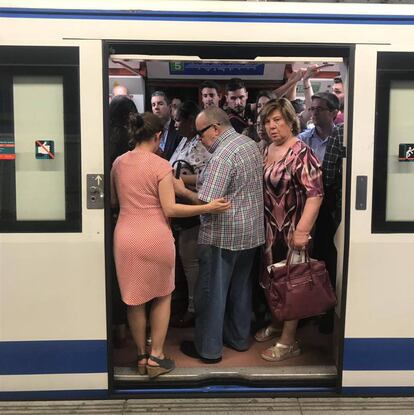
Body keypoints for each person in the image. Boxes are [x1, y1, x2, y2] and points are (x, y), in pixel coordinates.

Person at [110, 112, 230, 378]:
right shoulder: (160, 165)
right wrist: (208, 206)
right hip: (155, 236)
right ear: (158, 136)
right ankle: (157, 356)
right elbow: (170, 209)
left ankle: (141, 355)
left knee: (134, 300)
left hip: (126, 236)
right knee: (162, 295)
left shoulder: (118, 163)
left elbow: (114, 201)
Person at [174, 107, 264, 363]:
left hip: (222, 235)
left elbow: (208, 200)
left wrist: (181, 190)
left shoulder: (222, 155)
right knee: (240, 290)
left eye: (200, 133)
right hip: (250, 233)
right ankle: (238, 338)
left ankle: (209, 349)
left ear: (215, 128)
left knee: (211, 293)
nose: (199, 139)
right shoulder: (248, 144)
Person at [257, 99, 323, 362]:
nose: (272, 126)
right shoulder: (269, 148)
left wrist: (302, 231)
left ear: (289, 120)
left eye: (277, 120)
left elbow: (315, 195)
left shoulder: (301, 152)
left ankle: (288, 341)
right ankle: (277, 322)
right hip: (270, 229)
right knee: (273, 279)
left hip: (293, 229)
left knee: (292, 284)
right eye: (267, 121)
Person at [169, 101, 211, 327]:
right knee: (185, 262)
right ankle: (188, 303)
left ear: (189, 122)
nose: (175, 124)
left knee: (191, 262)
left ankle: (195, 308)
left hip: (194, 209)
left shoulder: (201, 146)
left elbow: (205, 176)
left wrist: (176, 182)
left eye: (178, 120)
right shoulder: (184, 141)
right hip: (180, 207)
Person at [108, 95, 138, 348]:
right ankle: (123, 328)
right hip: (131, 215)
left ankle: (116, 326)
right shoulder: (129, 145)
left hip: (111, 215)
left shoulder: (102, 136)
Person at [151, 91, 181, 160]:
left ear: (169, 107)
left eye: (160, 104)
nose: (156, 107)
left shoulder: (178, 128)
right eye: (153, 105)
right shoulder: (149, 130)